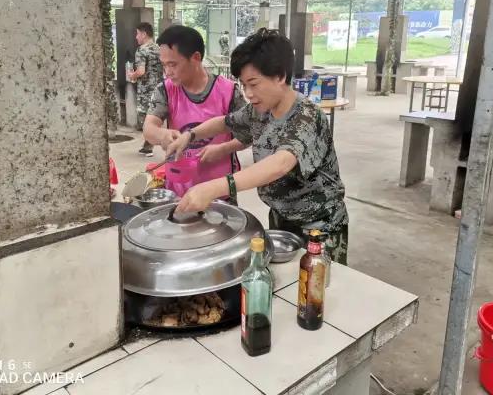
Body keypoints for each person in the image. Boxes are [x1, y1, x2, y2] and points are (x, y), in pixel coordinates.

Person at [167, 28, 349, 264]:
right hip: (282, 217)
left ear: (280, 76)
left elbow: (280, 164)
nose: (249, 94)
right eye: (243, 85)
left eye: (253, 84)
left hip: (320, 227)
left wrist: (214, 188)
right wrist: (190, 135)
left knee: (316, 284)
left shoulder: (307, 116)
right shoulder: (260, 111)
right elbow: (225, 122)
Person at [143, 25, 246, 200]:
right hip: (178, 191)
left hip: (220, 192)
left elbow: (248, 133)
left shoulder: (228, 91)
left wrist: (224, 149)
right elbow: (149, 128)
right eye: (164, 65)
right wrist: (162, 135)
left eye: (173, 64)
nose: (168, 72)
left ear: (196, 58)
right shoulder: (165, 90)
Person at [127, 22, 163, 156]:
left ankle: (154, 142)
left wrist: (132, 75)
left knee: (145, 118)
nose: (136, 37)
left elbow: (141, 71)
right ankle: (148, 146)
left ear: (144, 34)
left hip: (146, 90)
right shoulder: (159, 49)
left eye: (137, 34)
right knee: (154, 115)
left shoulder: (142, 50)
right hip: (159, 89)